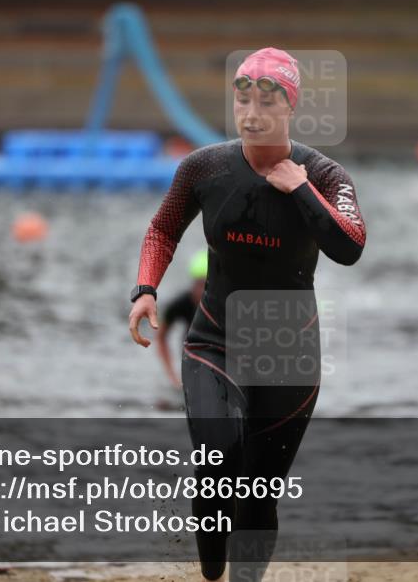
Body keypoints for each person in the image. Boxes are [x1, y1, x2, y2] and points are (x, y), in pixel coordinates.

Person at [128, 47, 366, 581]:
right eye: (242, 99)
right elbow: (164, 227)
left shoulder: (325, 175)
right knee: (219, 464)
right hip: (215, 341)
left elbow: (350, 246)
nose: (252, 112)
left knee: (259, 494)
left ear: (290, 108)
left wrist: (300, 189)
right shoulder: (205, 166)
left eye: (266, 100)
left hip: (289, 356)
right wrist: (145, 288)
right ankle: (212, 567)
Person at [155, 249, 208, 388]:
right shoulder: (180, 304)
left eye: (207, 285)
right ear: (193, 283)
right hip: (190, 357)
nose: (201, 291)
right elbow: (161, 337)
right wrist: (172, 376)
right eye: (199, 284)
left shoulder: (225, 304)